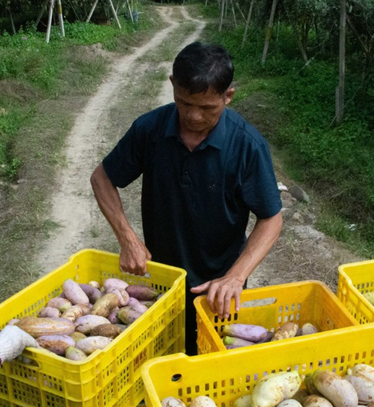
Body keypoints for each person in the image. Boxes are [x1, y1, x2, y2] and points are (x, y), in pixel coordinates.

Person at [91, 41, 283, 355]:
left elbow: (271, 217)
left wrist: (236, 276)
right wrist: (127, 238)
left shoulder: (247, 145)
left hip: (218, 287)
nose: (193, 116)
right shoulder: (150, 129)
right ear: (172, 86)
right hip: (161, 281)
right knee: (163, 355)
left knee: (212, 360)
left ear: (228, 96)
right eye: (184, 103)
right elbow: (102, 178)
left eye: (207, 108)